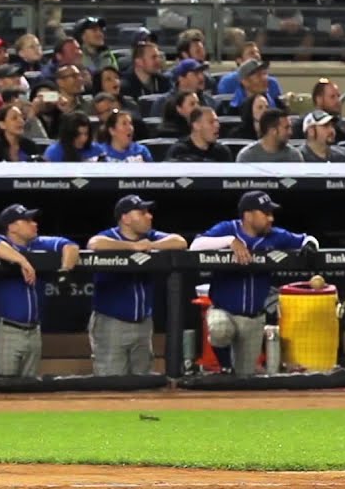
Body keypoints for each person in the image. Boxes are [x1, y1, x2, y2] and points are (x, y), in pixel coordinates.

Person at [190, 191, 317, 376]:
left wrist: (310, 245)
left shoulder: (275, 236)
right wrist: (230, 241)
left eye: (271, 213)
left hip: (253, 318)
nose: (271, 218)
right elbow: (195, 246)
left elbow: (307, 238)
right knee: (220, 329)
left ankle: (236, 377)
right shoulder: (228, 229)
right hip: (223, 311)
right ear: (248, 215)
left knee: (245, 377)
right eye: (265, 213)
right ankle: (225, 366)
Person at [86, 195, 187, 376]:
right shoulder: (110, 236)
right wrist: (131, 247)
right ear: (125, 218)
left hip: (143, 323)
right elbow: (94, 243)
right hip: (112, 322)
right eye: (142, 212)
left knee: (143, 381)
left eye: (148, 212)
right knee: (111, 381)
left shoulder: (149, 236)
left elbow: (180, 241)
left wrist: (151, 245)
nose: (149, 216)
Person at [0, 204, 79, 378]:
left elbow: (70, 246)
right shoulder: (0, 241)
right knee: (3, 383)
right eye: (27, 220)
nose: (34, 224)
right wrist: (23, 262)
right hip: (6, 329)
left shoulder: (38, 244)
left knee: (30, 386)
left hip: (34, 330)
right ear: (11, 227)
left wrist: (65, 271)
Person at [165, 106, 233, 162]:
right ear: (196, 125)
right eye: (211, 122)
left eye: (217, 122)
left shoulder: (222, 152)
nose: (217, 125)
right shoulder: (179, 151)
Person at [237, 108, 302, 162]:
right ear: (273, 130)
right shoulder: (247, 157)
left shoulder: (294, 156)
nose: (290, 132)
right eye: (286, 128)